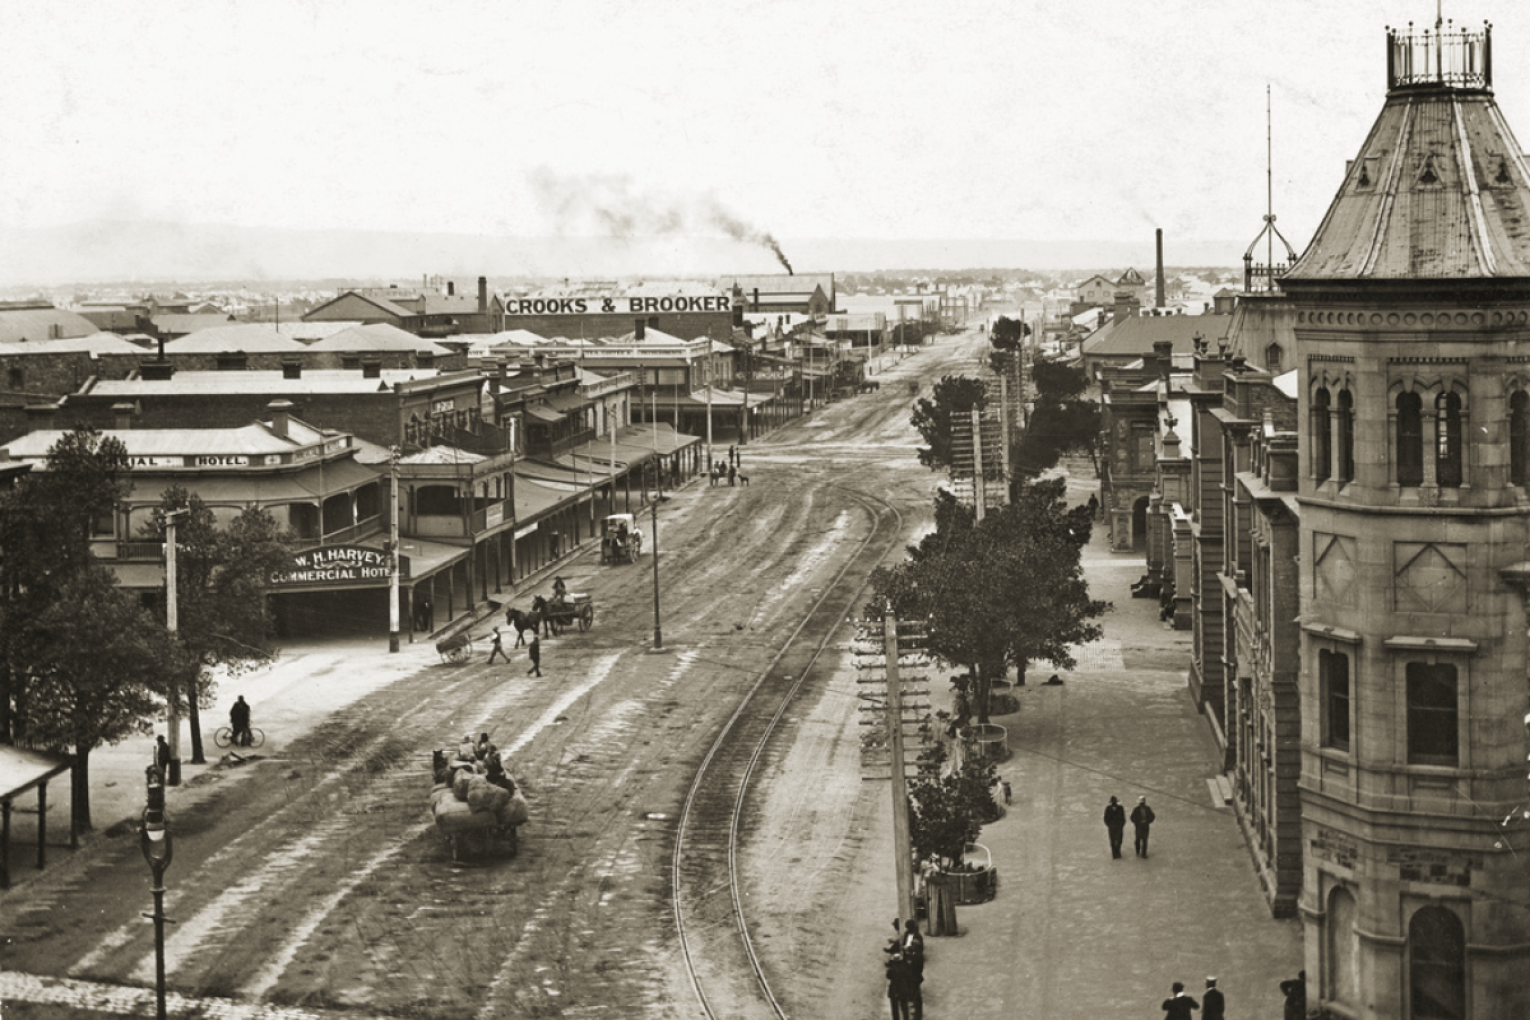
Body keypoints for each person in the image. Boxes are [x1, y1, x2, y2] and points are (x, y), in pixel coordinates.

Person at [900, 919, 924, 1020]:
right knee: (910, 987)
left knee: (916, 992)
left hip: (914, 972)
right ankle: (912, 1003)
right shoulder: (906, 934)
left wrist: (910, 950)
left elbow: (920, 949)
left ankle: (918, 1013)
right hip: (908, 962)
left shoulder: (918, 937)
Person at [884, 950, 913, 1020]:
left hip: (894, 989)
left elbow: (888, 976)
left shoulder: (892, 969)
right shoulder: (905, 967)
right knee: (904, 1007)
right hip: (903, 989)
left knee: (895, 1009)